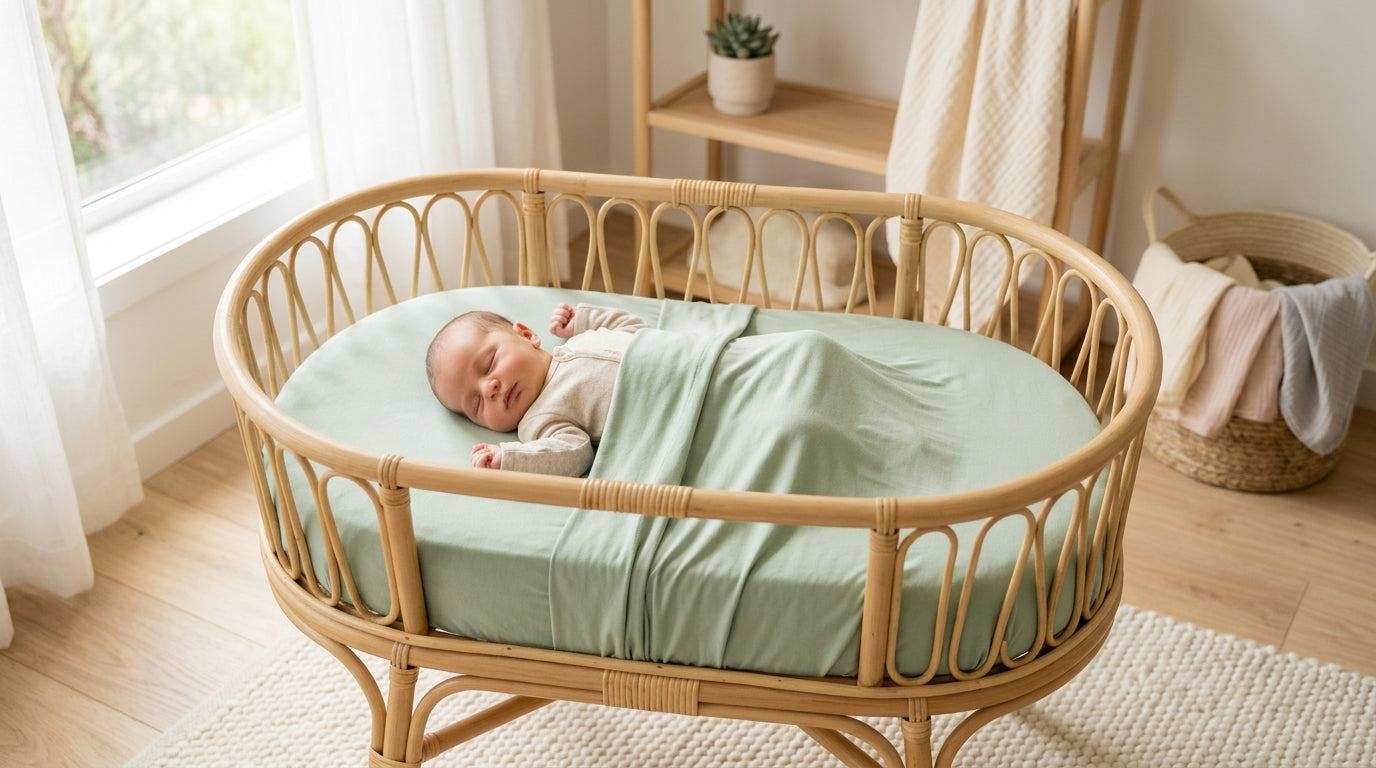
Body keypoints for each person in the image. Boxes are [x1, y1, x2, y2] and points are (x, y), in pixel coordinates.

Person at [425, 302, 646, 476]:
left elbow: (635, 329)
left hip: (668, 352)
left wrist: (584, 320)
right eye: (477, 404)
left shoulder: (579, 339)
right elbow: (575, 452)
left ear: (526, 335)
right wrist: (511, 459)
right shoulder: (539, 421)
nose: (488, 389)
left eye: (489, 363)